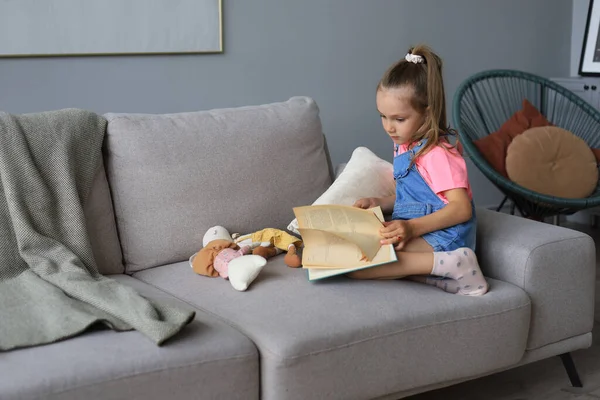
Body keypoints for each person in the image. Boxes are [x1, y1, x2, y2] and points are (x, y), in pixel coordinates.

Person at [351, 44, 488, 296]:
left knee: (359, 265)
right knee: (356, 252)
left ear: (427, 113)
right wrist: (380, 202)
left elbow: (460, 208)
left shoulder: (438, 154)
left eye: (399, 119)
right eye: (383, 116)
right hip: (420, 228)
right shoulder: (404, 145)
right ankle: (436, 274)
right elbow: (420, 200)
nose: (389, 127)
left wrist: (412, 228)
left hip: (446, 237)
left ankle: (458, 262)